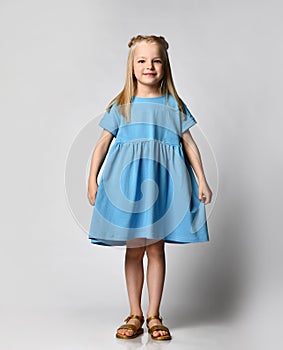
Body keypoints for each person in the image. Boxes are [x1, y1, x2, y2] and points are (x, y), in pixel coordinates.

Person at [87, 35, 212, 341]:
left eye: (155, 60)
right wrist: (92, 179)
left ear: (165, 66)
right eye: (141, 60)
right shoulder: (122, 106)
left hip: (164, 188)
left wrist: (202, 179)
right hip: (128, 188)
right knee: (134, 249)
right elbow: (101, 144)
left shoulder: (172, 105)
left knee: (155, 248)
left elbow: (189, 144)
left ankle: (155, 314)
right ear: (131, 67)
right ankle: (135, 313)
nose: (149, 66)